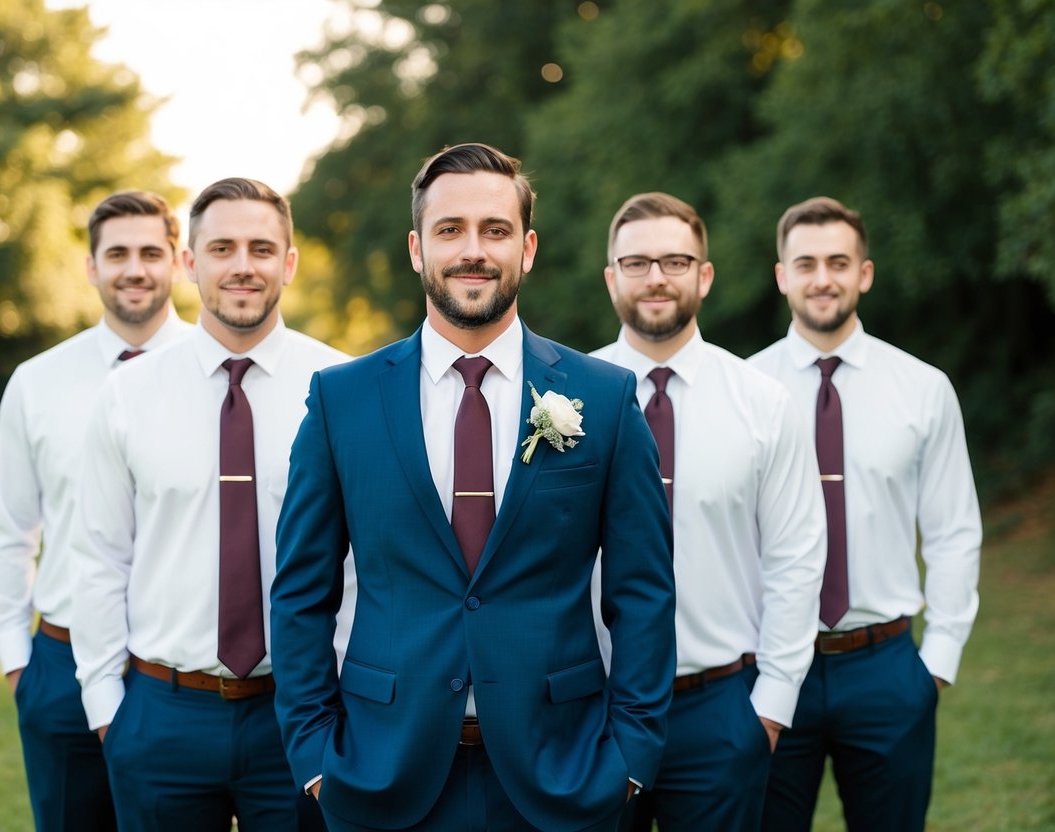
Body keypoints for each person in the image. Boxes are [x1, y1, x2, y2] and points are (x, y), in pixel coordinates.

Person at [269, 142, 676, 832]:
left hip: (562, 773)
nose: (472, 251)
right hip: (381, 775)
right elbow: (301, 592)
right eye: (449, 230)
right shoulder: (342, 400)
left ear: (527, 248)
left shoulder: (603, 399)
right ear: (415, 248)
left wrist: (628, 759)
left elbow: (643, 593)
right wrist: (316, 756)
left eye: (494, 230)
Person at [70, 177, 354, 831]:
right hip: (161, 713)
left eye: (261, 248)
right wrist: (108, 706)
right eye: (221, 247)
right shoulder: (127, 395)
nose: (242, 266)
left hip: (303, 709)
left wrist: (344, 704)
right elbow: (100, 555)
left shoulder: (345, 387)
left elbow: (368, 563)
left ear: (288, 263)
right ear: (190, 262)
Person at [591, 192, 827, 831]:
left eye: (675, 260)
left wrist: (769, 709)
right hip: (592, 709)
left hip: (721, 708)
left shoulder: (763, 402)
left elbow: (796, 558)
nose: (657, 278)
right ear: (611, 277)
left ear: (705, 274)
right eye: (636, 263)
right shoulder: (565, 398)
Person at [750, 196, 982, 831]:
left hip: (885, 670)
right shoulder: (743, 390)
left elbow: (954, 530)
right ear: (781, 275)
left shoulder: (923, 388)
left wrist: (937, 661)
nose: (822, 278)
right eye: (806, 263)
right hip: (770, 666)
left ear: (865, 272)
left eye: (838, 262)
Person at [0, 190, 191, 831]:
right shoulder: (37, 381)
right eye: (117, 253)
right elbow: (8, 530)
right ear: (91, 266)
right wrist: (20, 664)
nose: (135, 268)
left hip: (176, 675)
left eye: (151, 252)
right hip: (60, 669)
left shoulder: (219, 373)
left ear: (179, 262)